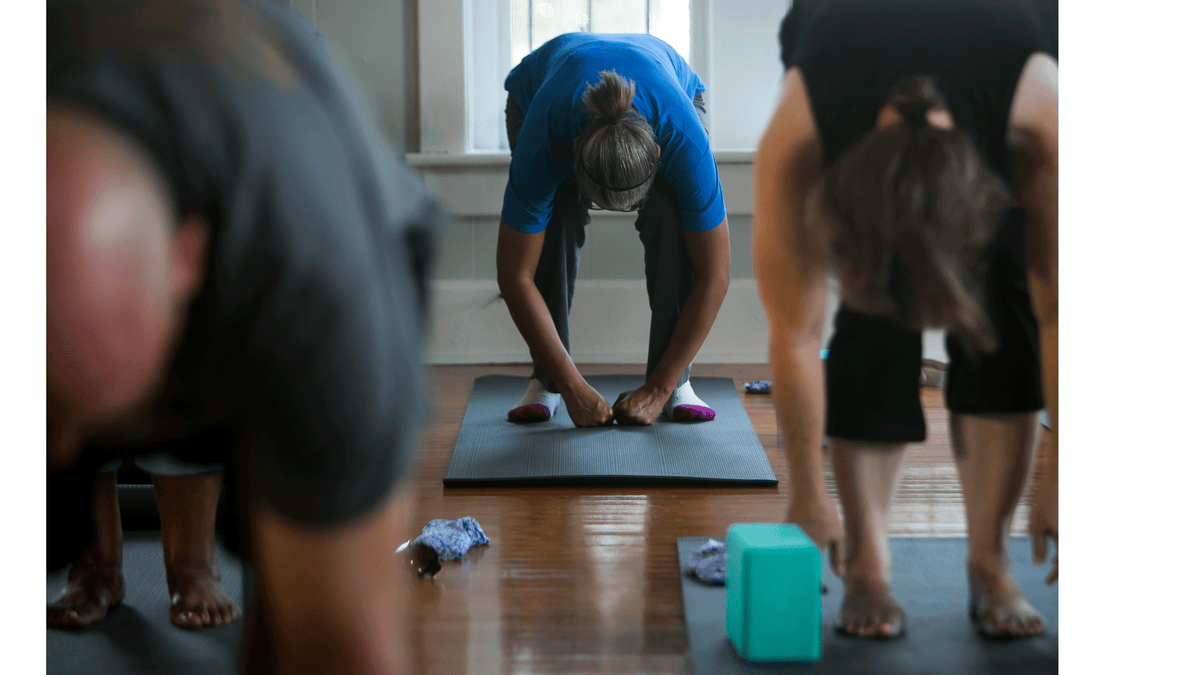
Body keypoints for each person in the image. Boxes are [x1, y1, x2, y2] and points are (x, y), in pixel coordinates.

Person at [46, 0, 442, 671]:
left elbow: (339, 648)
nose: (55, 448)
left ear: (187, 258)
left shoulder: (318, 269)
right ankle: (96, 561)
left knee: (298, 613)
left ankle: (202, 563)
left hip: (293, 232)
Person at [753, 0, 1058, 640]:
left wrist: (1065, 465)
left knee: (1007, 324)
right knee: (871, 325)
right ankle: (869, 564)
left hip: (1003, 65)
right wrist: (806, 490)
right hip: (842, 43)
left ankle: (990, 559)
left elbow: (1061, 312)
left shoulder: (1042, 124)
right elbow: (796, 328)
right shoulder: (799, 134)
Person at [497, 33, 731, 428]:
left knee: (670, 217)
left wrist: (656, 388)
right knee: (557, 217)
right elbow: (514, 275)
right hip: (536, 97)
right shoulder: (547, 139)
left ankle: (673, 385)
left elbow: (716, 275)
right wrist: (573, 387)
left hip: (674, 97)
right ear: (573, 151)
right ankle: (548, 382)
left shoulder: (682, 141)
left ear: (658, 156)